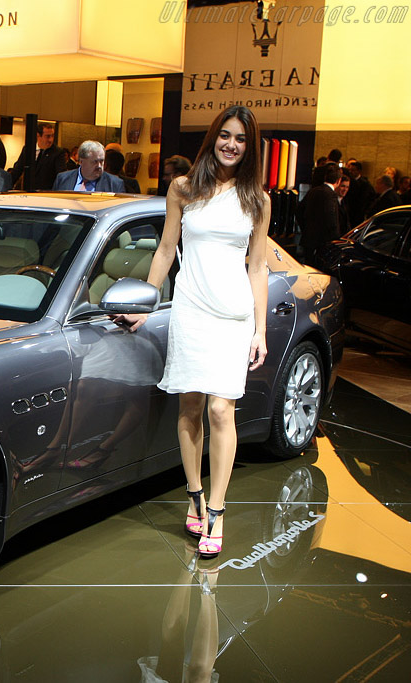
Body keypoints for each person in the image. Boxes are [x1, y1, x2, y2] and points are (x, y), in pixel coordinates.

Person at [116, 105, 270, 560]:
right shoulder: (183, 189)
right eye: (225, 135)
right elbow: (166, 250)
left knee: (222, 411)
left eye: (240, 139)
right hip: (191, 310)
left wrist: (260, 329)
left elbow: (257, 266)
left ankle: (217, 514)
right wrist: (144, 301)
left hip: (233, 315)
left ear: (249, 147)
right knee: (190, 405)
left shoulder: (257, 199)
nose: (231, 145)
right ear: (212, 138)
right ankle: (195, 494)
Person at [297, 162, 341, 265]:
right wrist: (336, 240)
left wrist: (306, 228)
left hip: (308, 239)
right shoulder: (331, 195)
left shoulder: (313, 191)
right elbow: (331, 220)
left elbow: (299, 211)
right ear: (338, 181)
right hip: (323, 243)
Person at [9, 122, 66, 190]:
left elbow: (61, 176)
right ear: (38, 135)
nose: (50, 140)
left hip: (47, 194)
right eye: (47, 136)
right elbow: (17, 170)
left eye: (52, 136)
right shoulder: (28, 149)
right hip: (28, 193)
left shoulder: (58, 153)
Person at [52, 140, 125, 192]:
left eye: (101, 161)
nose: (99, 166)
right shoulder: (63, 179)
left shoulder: (114, 184)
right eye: (95, 162)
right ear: (81, 161)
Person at [344, 159, 374, 225]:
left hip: (357, 214)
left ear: (359, 171)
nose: (350, 172)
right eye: (349, 170)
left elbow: (364, 200)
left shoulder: (364, 184)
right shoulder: (348, 181)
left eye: (353, 170)